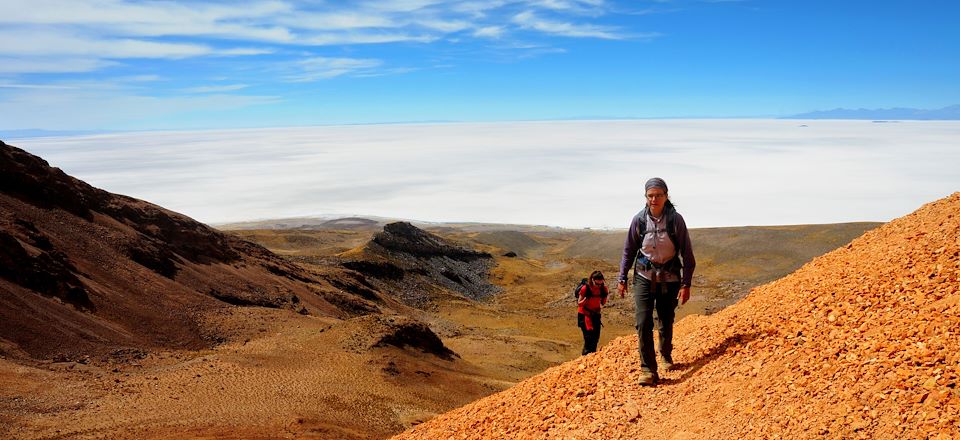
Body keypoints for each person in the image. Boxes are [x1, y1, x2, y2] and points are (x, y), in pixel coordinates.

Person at [617, 177, 696, 386]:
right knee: (643, 321)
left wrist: (686, 284)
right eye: (651, 195)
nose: (654, 199)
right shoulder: (639, 220)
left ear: (666, 196)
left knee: (666, 319)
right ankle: (648, 370)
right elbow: (628, 250)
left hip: (669, 279)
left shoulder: (675, 220)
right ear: (645, 197)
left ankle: (665, 353)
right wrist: (622, 277)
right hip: (644, 276)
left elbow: (688, 254)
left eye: (658, 195)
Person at [577, 270, 608, 355]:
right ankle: (585, 358)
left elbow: (603, 303)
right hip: (585, 315)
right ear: (592, 280)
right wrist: (586, 299)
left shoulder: (603, 289)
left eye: (601, 284)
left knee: (595, 338)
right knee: (588, 339)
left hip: (596, 315)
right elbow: (579, 303)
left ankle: (592, 358)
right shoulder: (585, 289)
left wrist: (604, 296)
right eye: (597, 284)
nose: (599, 286)